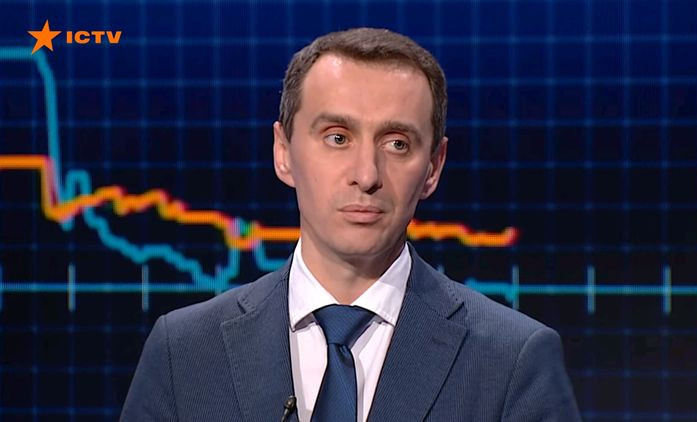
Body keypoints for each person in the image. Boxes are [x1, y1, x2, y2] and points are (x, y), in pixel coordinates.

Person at [121, 27, 581, 421]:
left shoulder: (513, 361)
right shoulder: (184, 352)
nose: (366, 174)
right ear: (283, 152)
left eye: (397, 143)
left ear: (434, 166)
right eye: (338, 138)